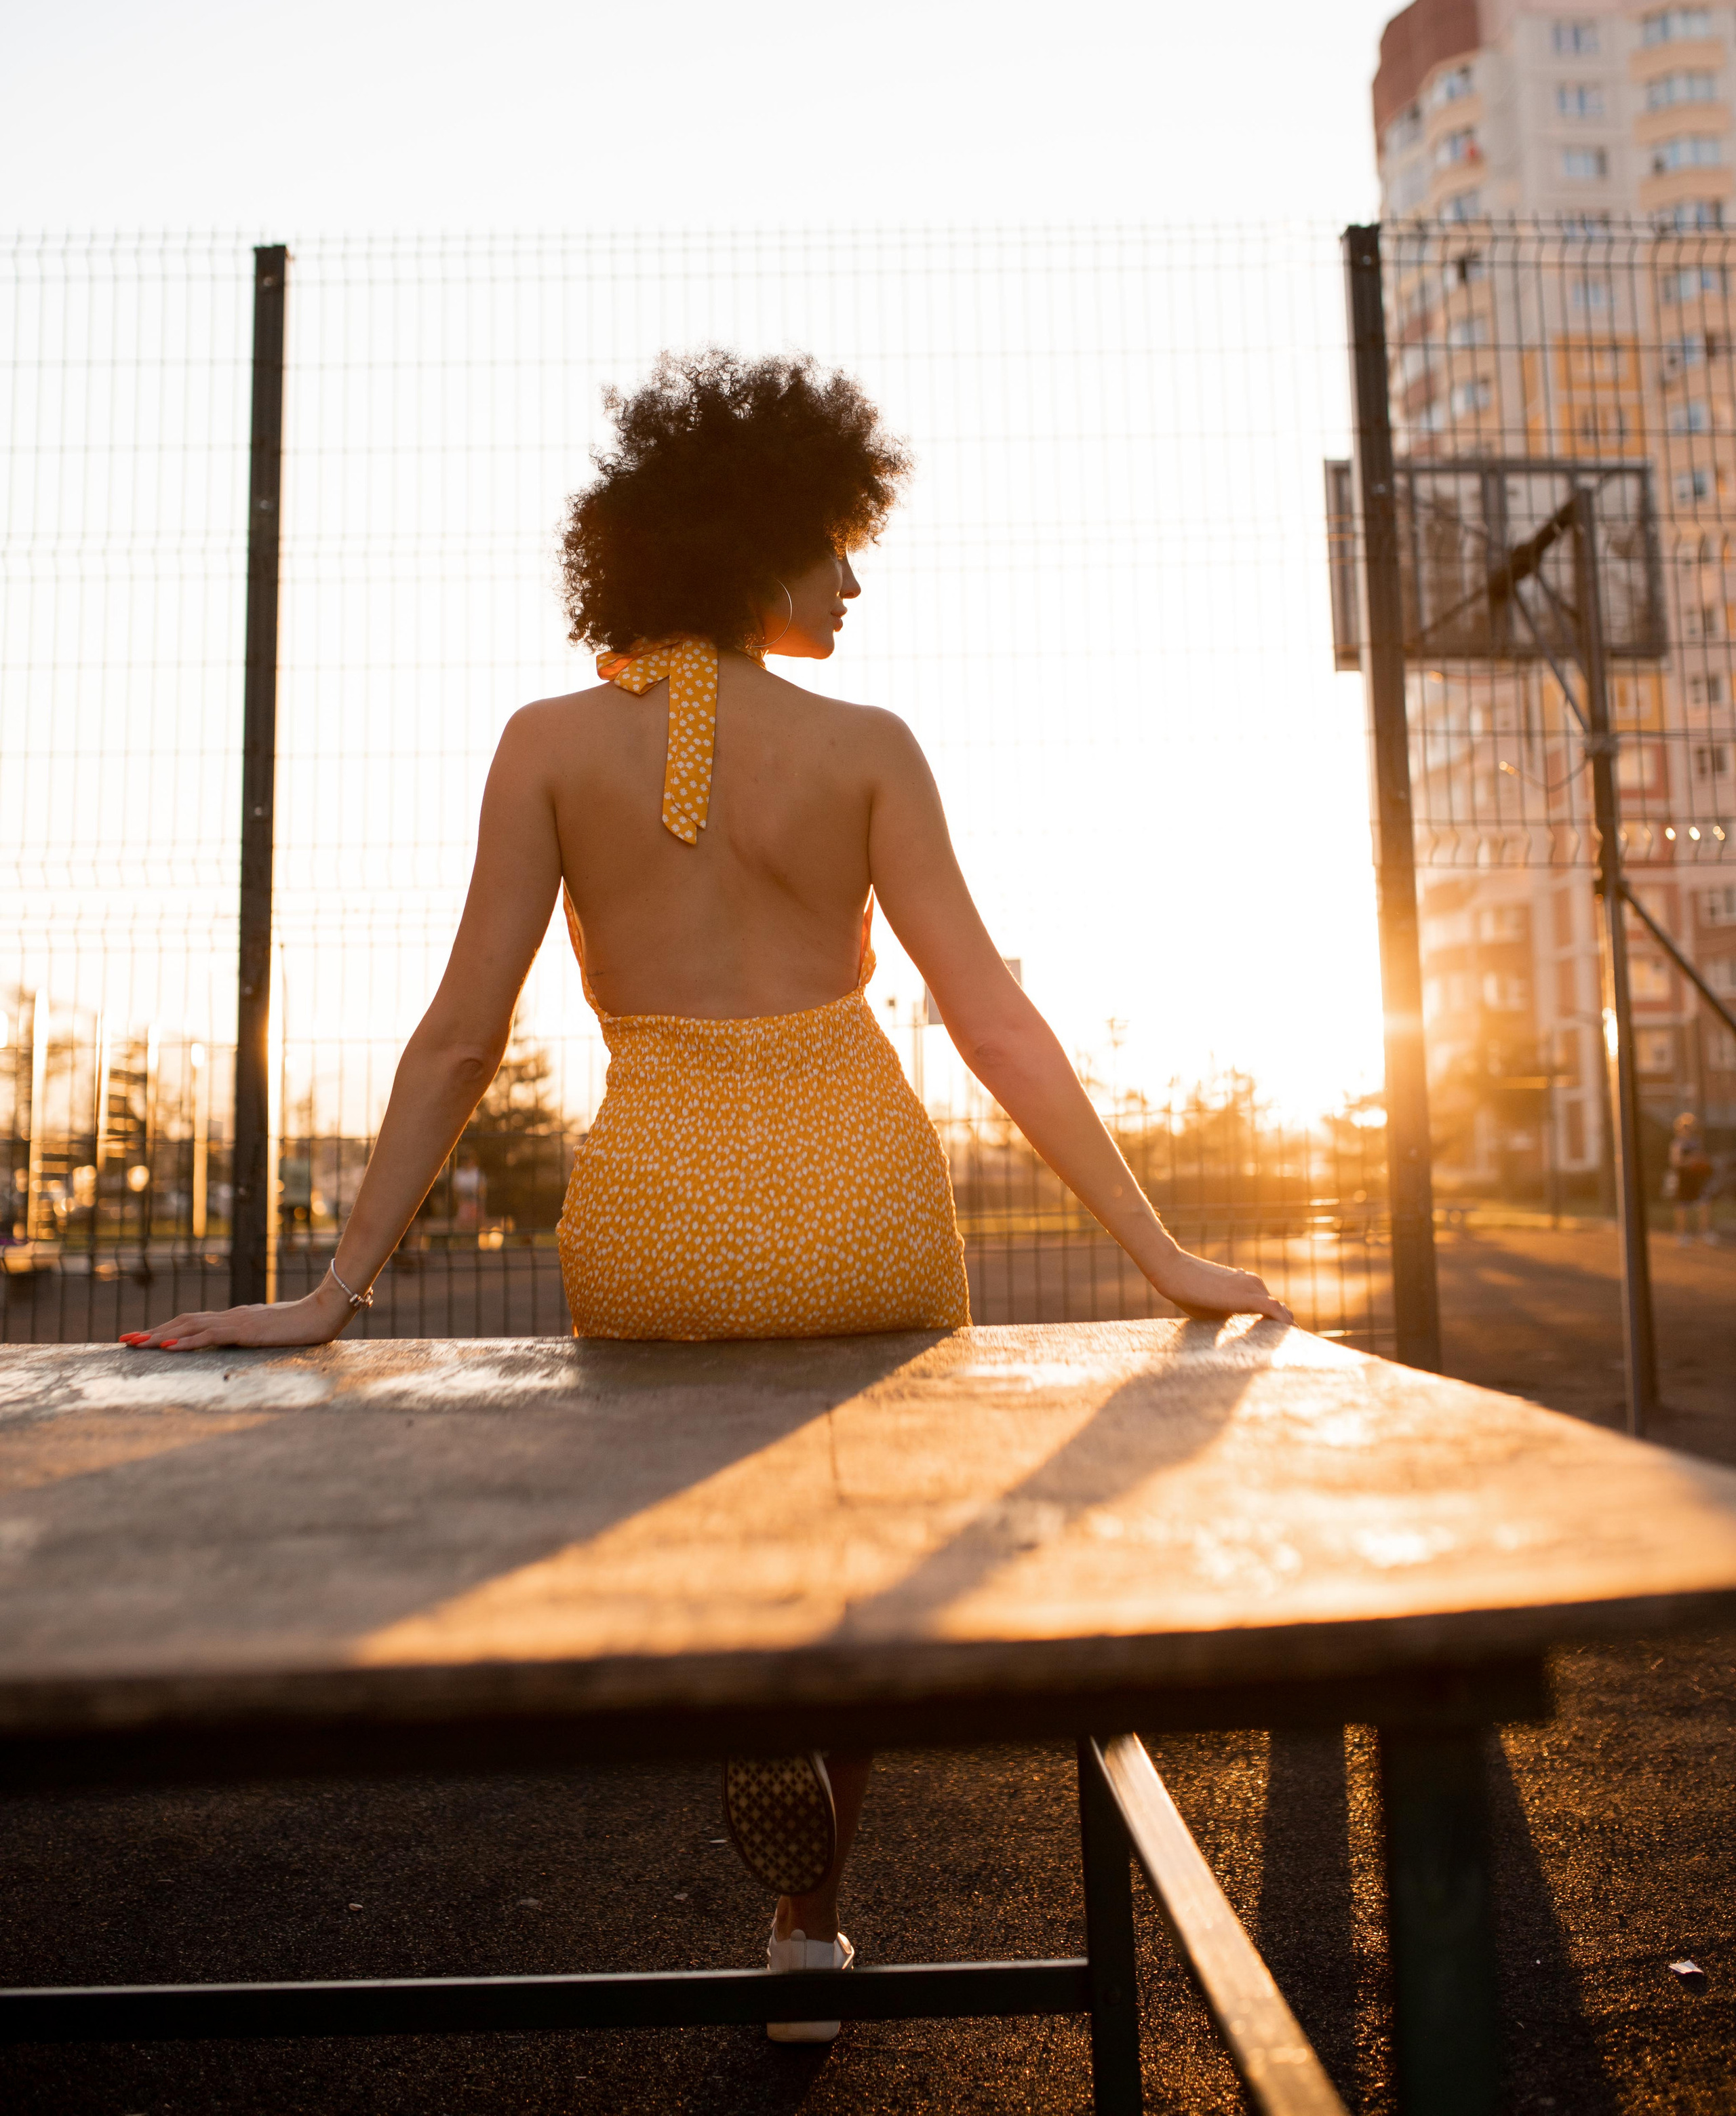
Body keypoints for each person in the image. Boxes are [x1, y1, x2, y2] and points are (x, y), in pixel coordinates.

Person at [123, 349, 1290, 2041]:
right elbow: (990, 1020)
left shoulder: (543, 743)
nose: (855, 573)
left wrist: (334, 1291)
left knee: (713, 1471)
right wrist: (1160, 1251)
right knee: (862, 1540)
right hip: (857, 1203)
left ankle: (745, 1655)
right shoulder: (869, 745)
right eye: (833, 538)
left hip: (657, 1213)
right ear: (756, 544)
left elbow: (461, 1037)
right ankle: (807, 1915)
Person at [1667, 1110, 1714, 1244]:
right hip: (1683, 1179)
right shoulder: (1677, 1144)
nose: (1688, 1130)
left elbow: (1702, 1158)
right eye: (1685, 1127)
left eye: (1690, 1127)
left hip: (1696, 1179)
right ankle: (1681, 1234)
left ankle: (1705, 1232)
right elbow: (1676, 1162)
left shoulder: (1696, 1142)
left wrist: (1701, 1162)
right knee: (1682, 1207)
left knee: (1705, 1203)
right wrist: (1691, 1160)